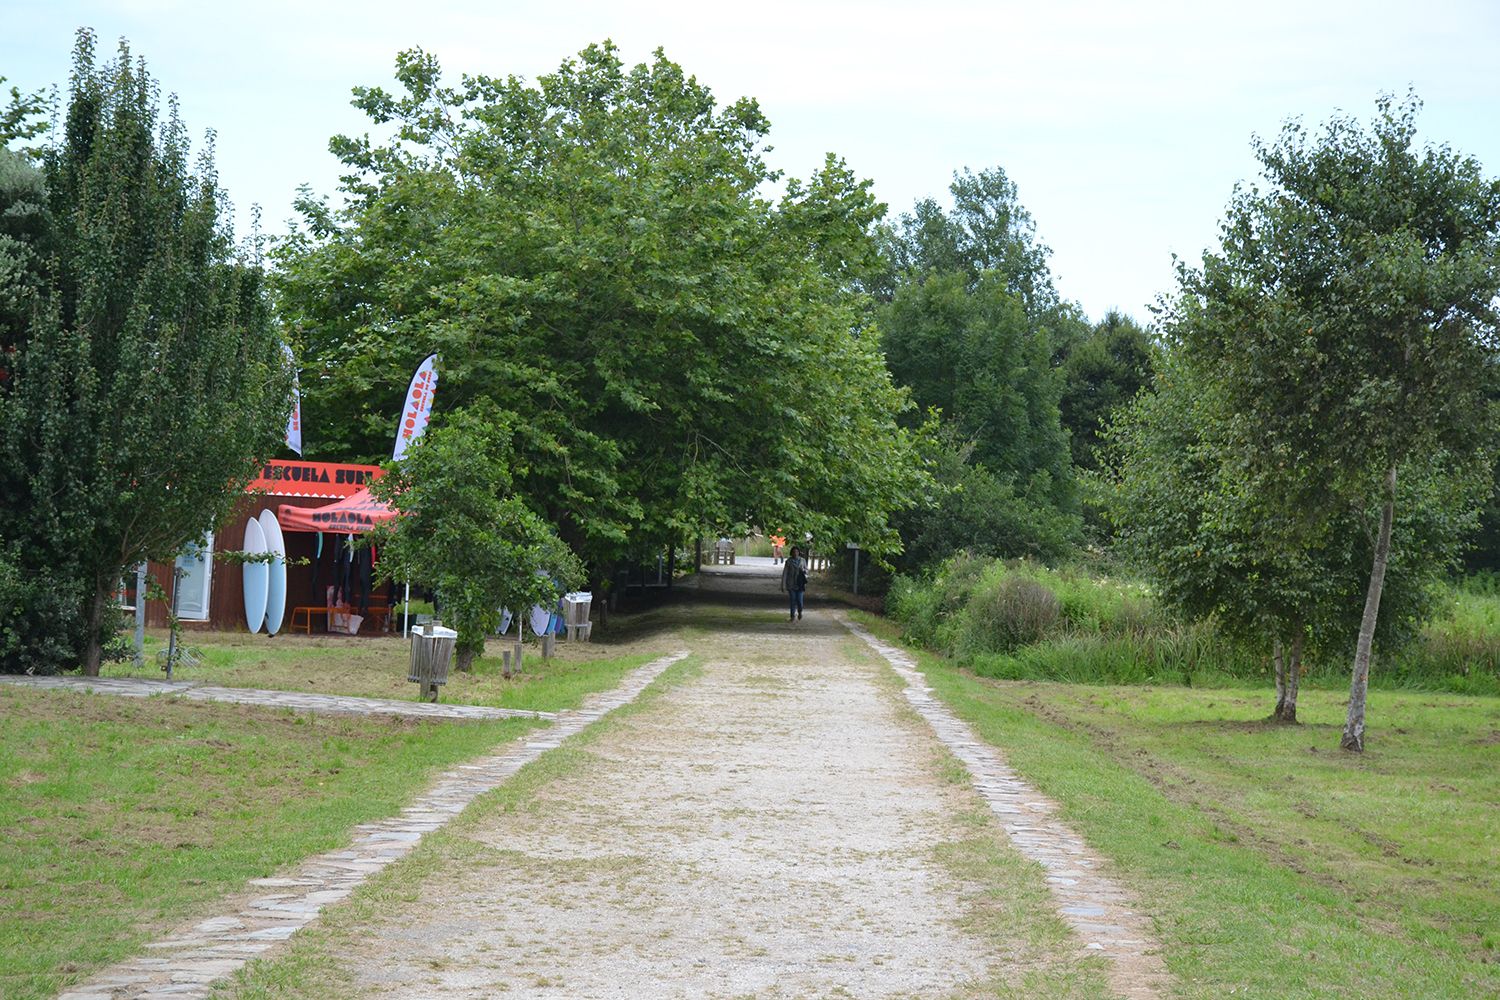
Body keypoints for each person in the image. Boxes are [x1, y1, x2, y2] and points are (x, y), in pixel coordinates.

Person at [780, 545, 807, 621]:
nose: (795, 553)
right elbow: (785, 573)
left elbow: (806, 571)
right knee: (793, 600)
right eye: (794, 552)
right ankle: (792, 616)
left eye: (797, 552)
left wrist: (804, 571)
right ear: (791, 553)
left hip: (800, 584)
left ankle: (800, 611)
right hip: (791, 584)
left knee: (799, 600)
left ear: (799, 553)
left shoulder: (803, 561)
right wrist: (783, 585)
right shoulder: (788, 562)